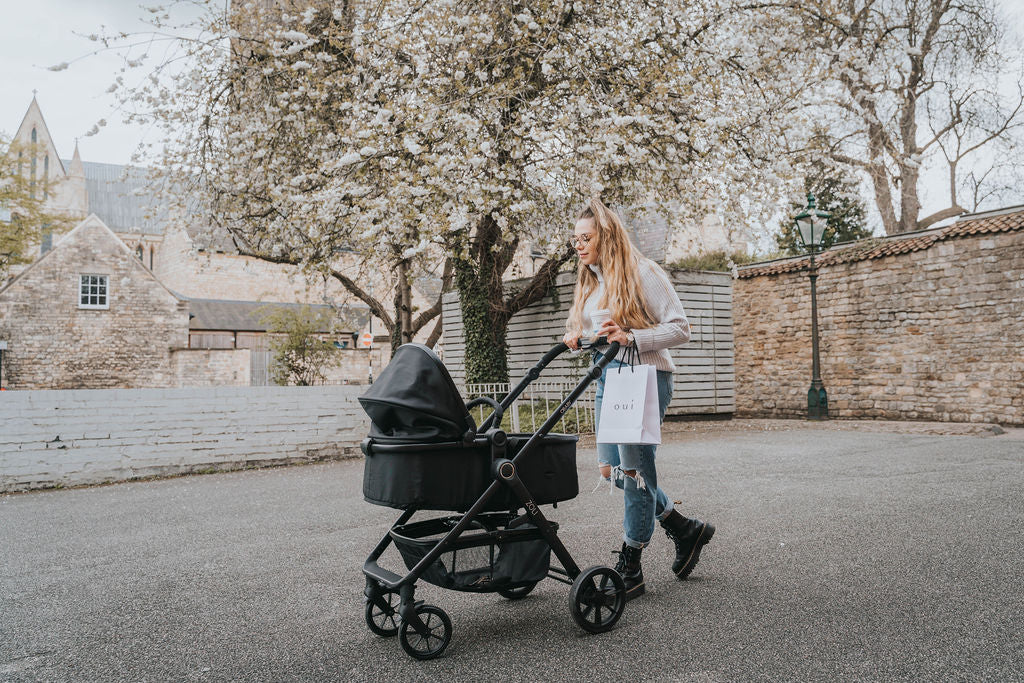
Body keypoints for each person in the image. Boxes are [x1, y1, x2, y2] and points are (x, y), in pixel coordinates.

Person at [562, 197, 715, 600]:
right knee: (611, 470)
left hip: (644, 378)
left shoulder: (643, 272)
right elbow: (600, 332)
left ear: (606, 236)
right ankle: (683, 527)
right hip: (608, 379)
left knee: (633, 472)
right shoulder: (591, 280)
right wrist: (578, 338)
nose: (578, 246)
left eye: (586, 238)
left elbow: (680, 328)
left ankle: (631, 564)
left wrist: (633, 337)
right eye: (575, 239)